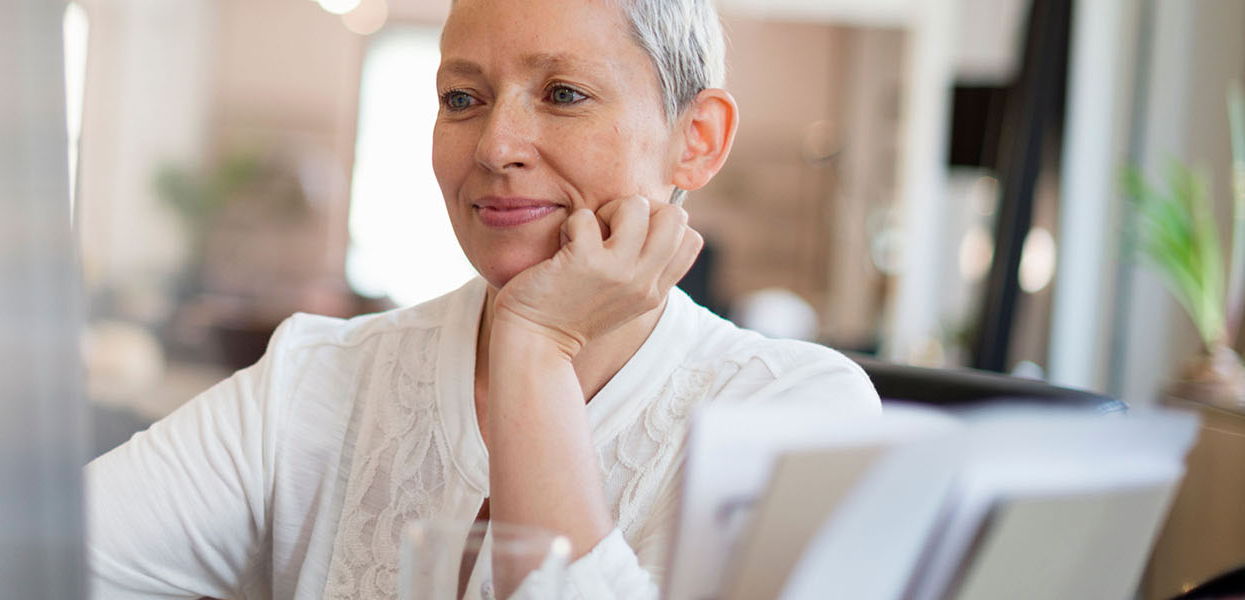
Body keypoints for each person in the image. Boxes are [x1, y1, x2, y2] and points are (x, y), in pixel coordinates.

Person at [85, 0, 880, 597]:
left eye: (564, 93)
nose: (496, 147)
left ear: (696, 138)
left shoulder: (799, 415)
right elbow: (26, 561)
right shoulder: (316, 376)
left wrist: (534, 345)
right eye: (462, 98)